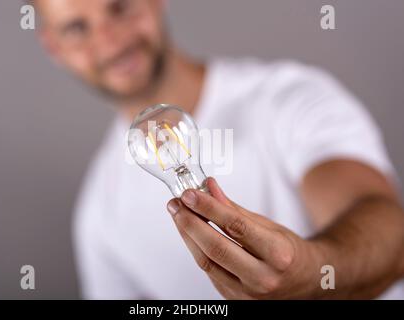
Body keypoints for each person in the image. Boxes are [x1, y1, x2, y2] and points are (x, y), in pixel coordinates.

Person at [33, 0, 404, 299]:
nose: (110, 41)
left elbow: (391, 234)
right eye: (77, 27)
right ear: (53, 46)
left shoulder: (288, 99)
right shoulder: (99, 214)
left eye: (120, 7)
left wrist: (312, 271)